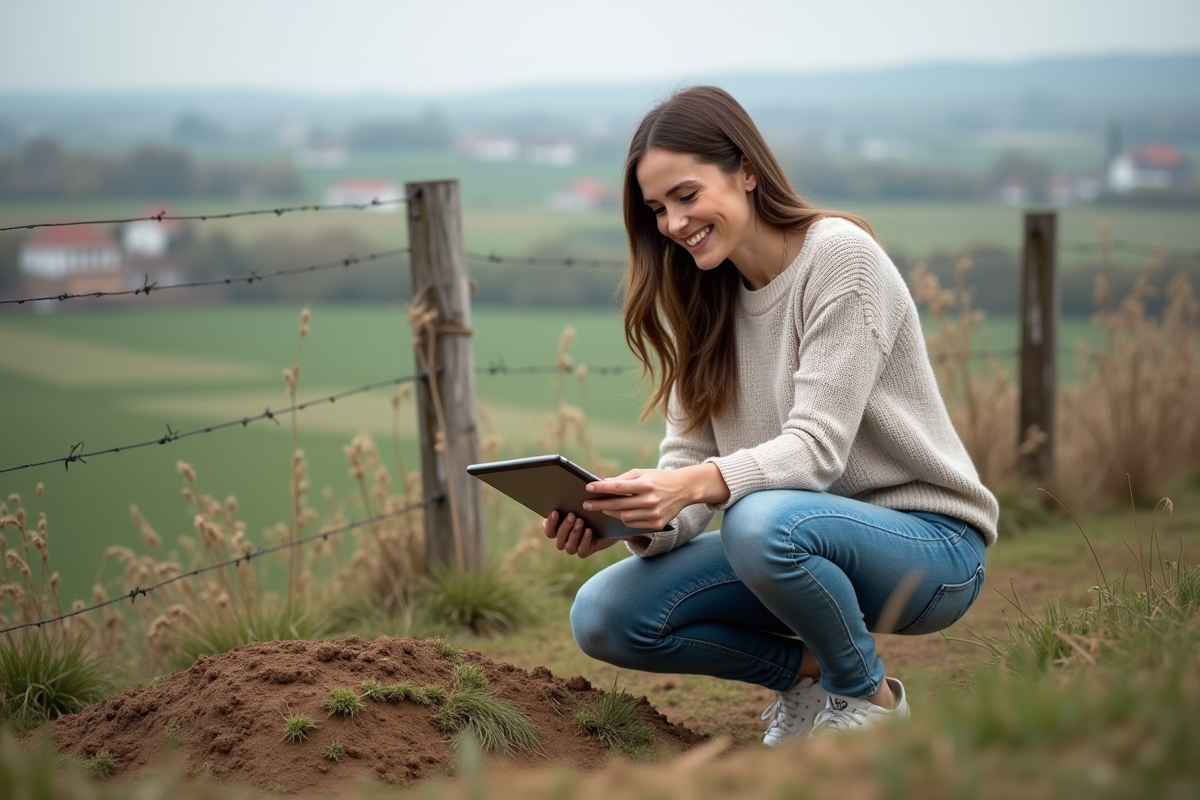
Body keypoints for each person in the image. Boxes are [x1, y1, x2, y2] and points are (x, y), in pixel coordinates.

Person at [542, 86, 998, 745]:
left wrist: (693, 486)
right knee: (605, 615)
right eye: (657, 209)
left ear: (748, 172)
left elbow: (816, 451)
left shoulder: (840, 258)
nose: (672, 223)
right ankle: (809, 675)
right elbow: (689, 469)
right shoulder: (703, 296)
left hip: (932, 549)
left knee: (757, 522)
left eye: (687, 195)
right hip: (788, 544)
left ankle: (867, 700)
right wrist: (634, 518)